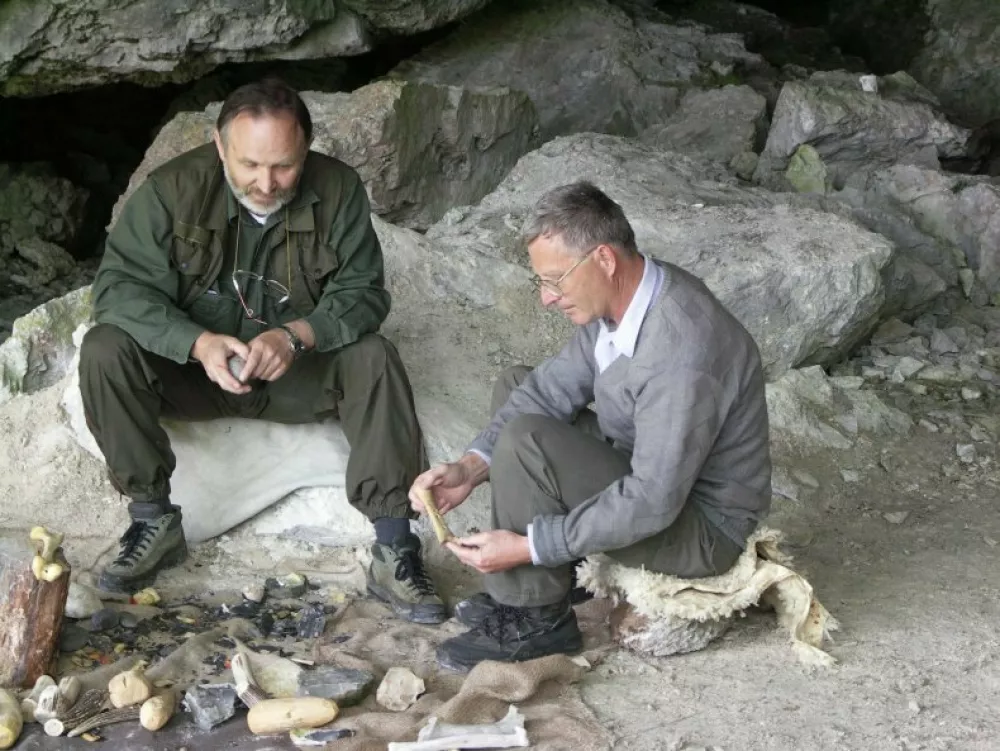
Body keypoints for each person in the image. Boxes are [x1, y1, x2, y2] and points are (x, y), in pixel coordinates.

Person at [80, 78, 446, 625]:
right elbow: (118, 291)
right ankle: (153, 521)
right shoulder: (169, 190)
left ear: (306, 151)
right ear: (220, 145)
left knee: (374, 356)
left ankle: (395, 547)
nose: (266, 183)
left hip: (293, 375)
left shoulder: (339, 189)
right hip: (194, 374)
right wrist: (196, 343)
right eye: (249, 165)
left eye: (283, 166)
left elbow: (365, 293)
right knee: (103, 348)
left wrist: (297, 335)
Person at [409, 181, 772, 671]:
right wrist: (469, 468)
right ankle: (543, 585)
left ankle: (537, 619)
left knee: (528, 440)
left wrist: (532, 546)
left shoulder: (681, 353)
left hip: (702, 527)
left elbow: (653, 499)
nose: (546, 299)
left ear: (603, 259)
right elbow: (545, 390)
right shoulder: (630, 295)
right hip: (648, 470)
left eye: (555, 281)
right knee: (519, 392)